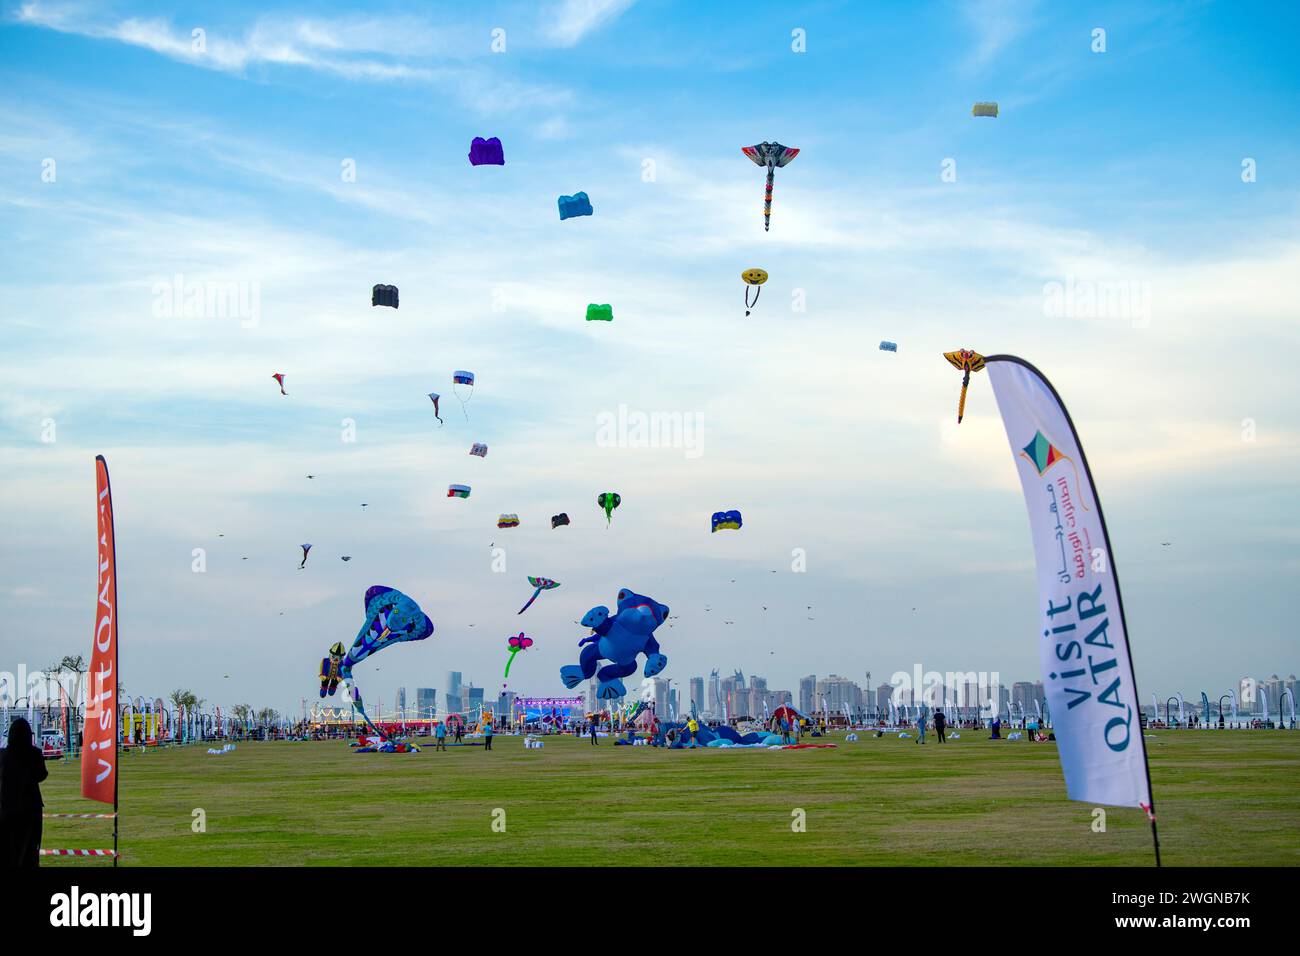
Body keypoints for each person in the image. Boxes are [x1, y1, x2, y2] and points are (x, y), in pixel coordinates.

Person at [1, 717, 48, 867]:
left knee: (8, 852)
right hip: (30, 810)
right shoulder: (34, 754)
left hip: (6, 808)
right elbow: (42, 775)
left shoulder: (3, 755)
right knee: (30, 852)